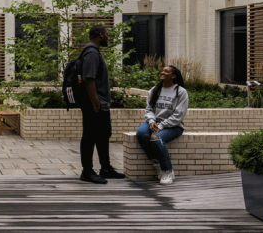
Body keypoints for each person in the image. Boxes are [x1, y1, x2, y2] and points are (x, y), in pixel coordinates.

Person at [77, 24, 126, 184]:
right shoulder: (91, 53)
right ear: (99, 35)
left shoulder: (94, 52)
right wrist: (96, 103)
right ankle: (87, 171)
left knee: (103, 135)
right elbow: (88, 79)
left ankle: (105, 168)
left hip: (100, 104)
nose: (108, 37)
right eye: (106, 34)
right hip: (95, 105)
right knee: (89, 137)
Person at [136, 65, 189, 185]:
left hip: (174, 126)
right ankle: (157, 164)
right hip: (154, 123)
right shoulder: (154, 90)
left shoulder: (180, 92)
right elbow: (149, 109)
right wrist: (151, 121)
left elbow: (179, 115)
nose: (162, 72)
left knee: (156, 137)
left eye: (166, 71)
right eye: (163, 70)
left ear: (173, 76)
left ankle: (167, 171)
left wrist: (161, 126)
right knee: (141, 134)